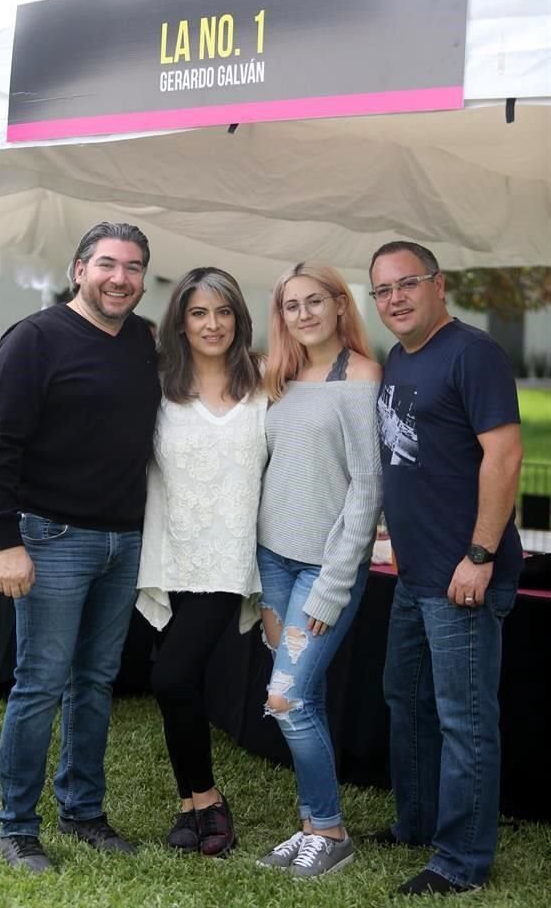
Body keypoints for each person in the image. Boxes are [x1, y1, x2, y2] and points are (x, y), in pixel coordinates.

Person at [0, 222, 161, 873]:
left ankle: (83, 811)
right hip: (51, 536)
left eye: (133, 267)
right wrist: (6, 541)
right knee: (41, 683)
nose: (120, 277)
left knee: (96, 682)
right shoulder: (35, 338)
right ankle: (18, 827)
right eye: (107, 263)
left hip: (125, 539)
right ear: (79, 269)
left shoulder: (145, 341)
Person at [368, 240, 523, 897]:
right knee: (405, 699)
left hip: (464, 573)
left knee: (462, 716)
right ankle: (418, 822)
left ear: (440, 284)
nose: (395, 298)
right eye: (382, 290)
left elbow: (506, 456)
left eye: (408, 283)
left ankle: (460, 860)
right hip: (415, 572)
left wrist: (480, 555)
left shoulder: (474, 353)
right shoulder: (399, 358)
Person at [255, 262, 382, 878]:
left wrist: (333, 586)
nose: (302, 314)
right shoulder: (279, 378)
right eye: (289, 305)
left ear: (338, 305)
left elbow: (368, 488)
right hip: (273, 563)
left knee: (286, 699)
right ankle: (310, 825)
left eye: (314, 301)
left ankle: (330, 831)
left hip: (322, 570)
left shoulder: (361, 376)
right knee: (306, 696)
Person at [136, 267, 267, 857]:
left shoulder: (267, 381)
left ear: (238, 320)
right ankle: (191, 806)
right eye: (198, 313)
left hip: (231, 557)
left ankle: (208, 799)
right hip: (171, 554)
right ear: (181, 322)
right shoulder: (157, 384)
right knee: (176, 678)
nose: (212, 324)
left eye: (223, 313)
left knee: (170, 676)